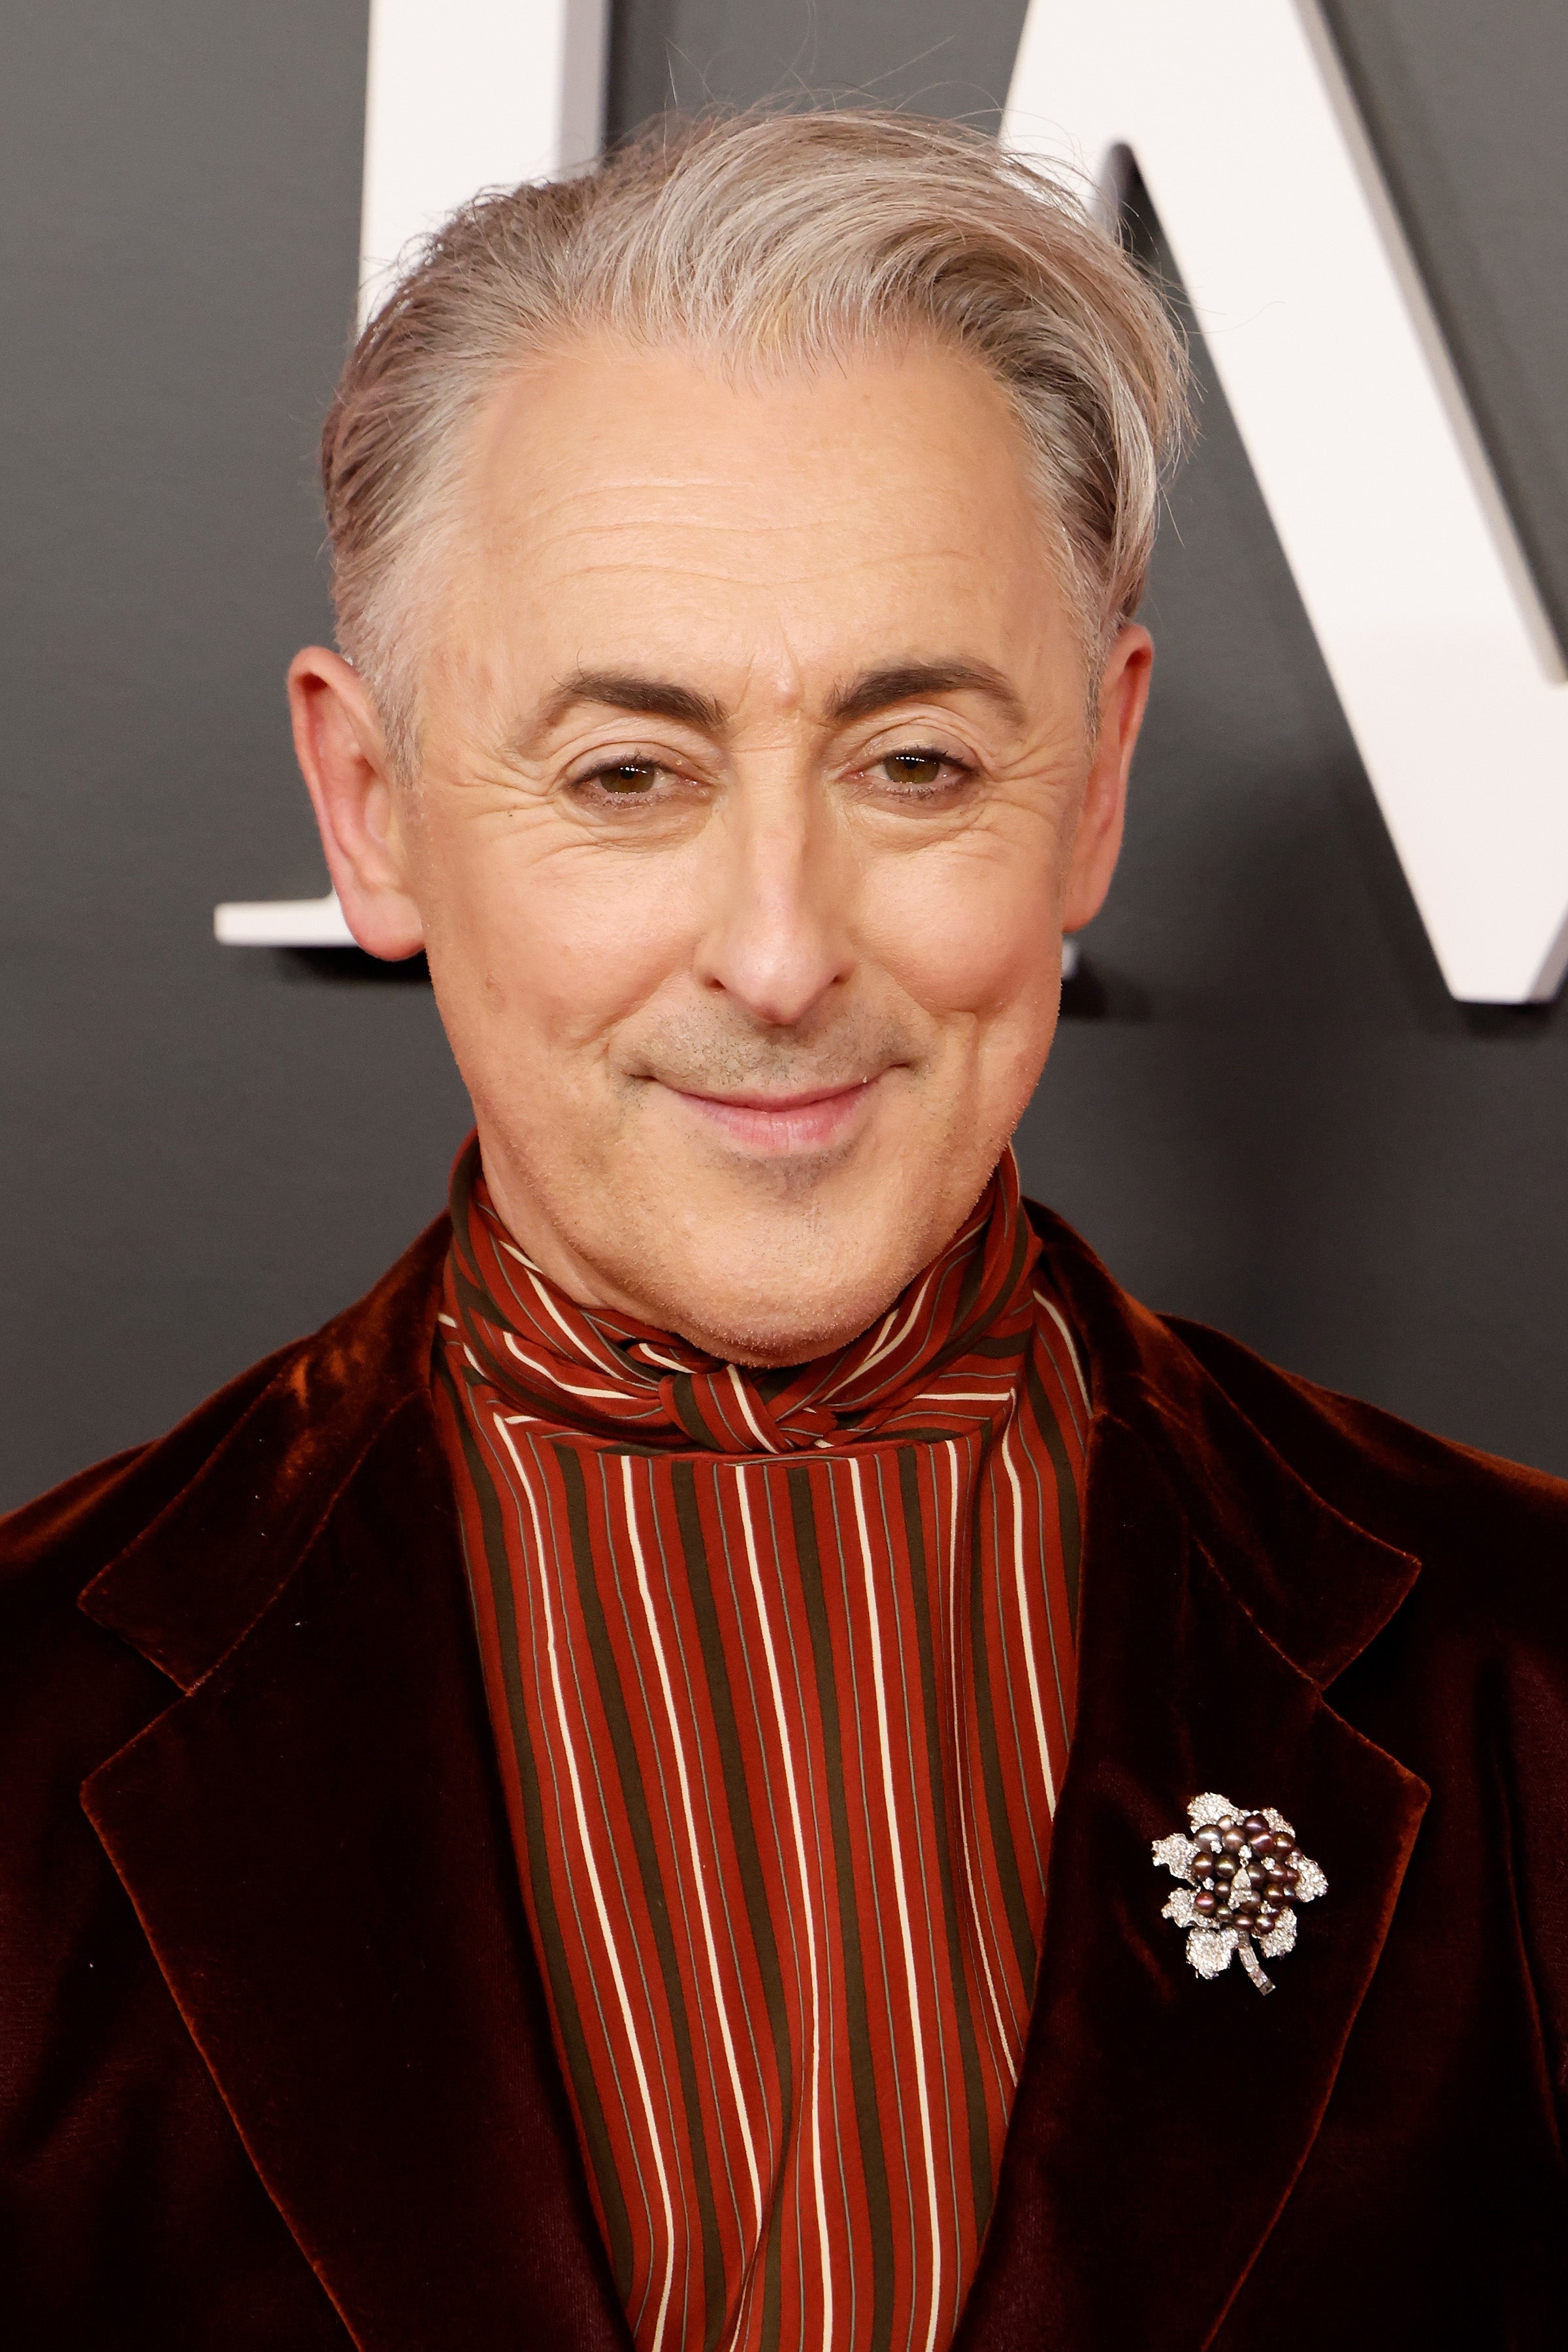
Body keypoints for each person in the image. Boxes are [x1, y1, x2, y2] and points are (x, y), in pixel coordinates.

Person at [2, 107, 1564, 2352]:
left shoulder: (1533, 1684)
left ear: (1097, 782)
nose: (776, 951)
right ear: (373, 808)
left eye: (915, 762)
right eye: (628, 775)